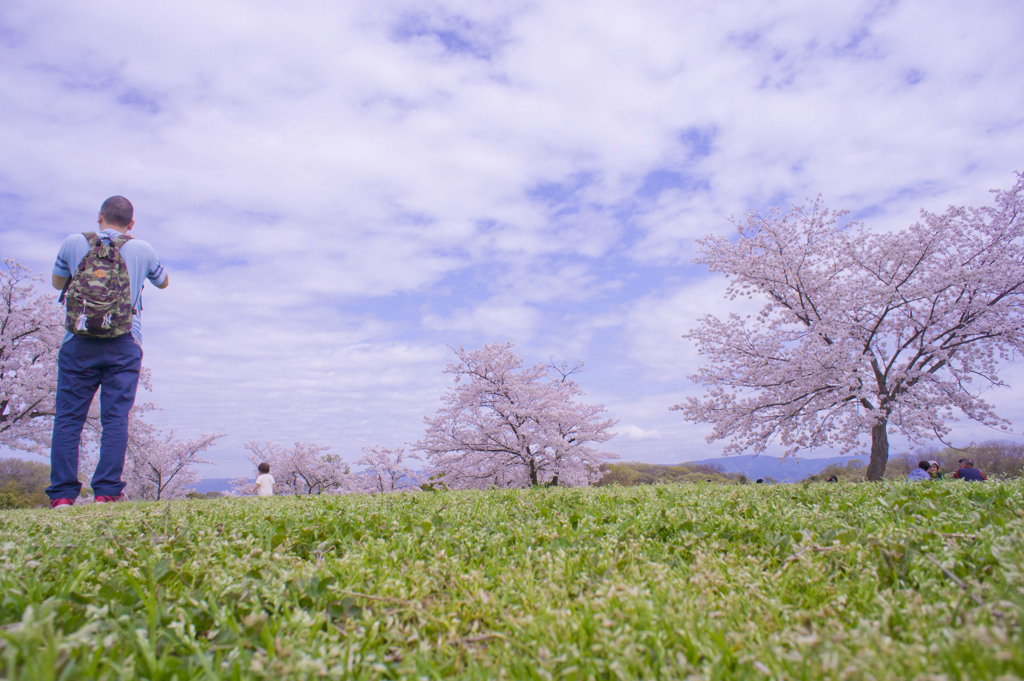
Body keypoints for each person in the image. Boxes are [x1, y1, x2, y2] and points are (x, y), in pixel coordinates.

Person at [45, 196, 169, 509]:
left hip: (78, 341)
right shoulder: (142, 248)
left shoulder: (73, 242)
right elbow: (163, 282)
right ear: (132, 223)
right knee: (115, 419)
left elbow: (57, 281)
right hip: (125, 341)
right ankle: (106, 492)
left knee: (69, 419)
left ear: (99, 216)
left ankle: (62, 496)